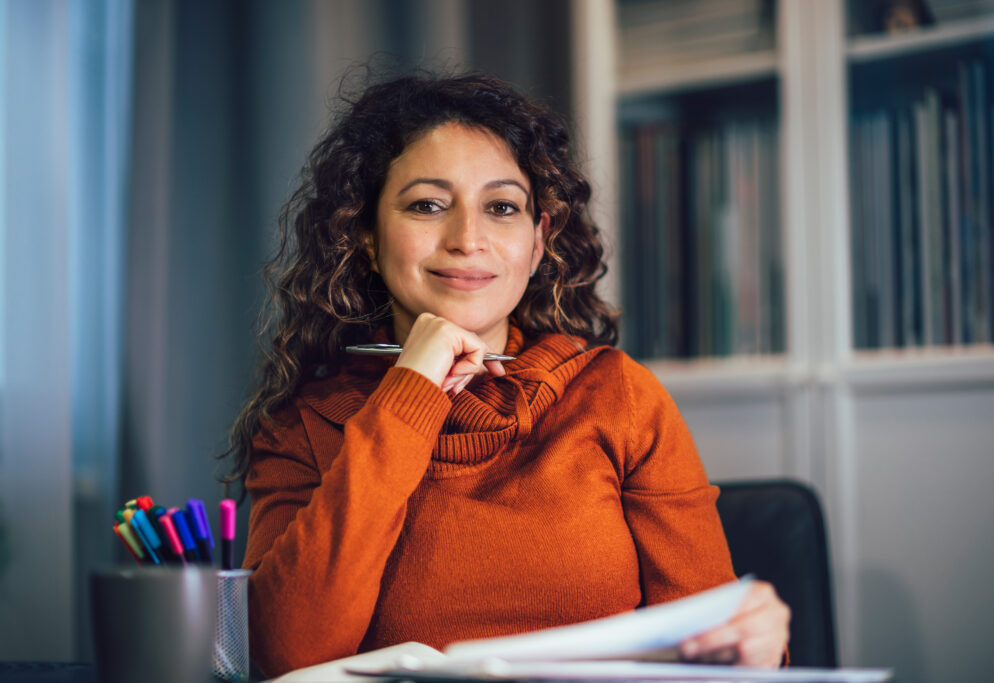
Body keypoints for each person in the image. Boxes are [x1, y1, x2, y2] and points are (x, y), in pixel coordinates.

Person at [224, 71, 790, 678]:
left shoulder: (619, 396)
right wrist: (408, 397)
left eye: (501, 207)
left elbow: (713, 651)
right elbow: (284, 658)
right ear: (365, 235)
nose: (468, 239)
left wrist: (751, 645)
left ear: (539, 240)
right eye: (427, 205)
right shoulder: (300, 426)